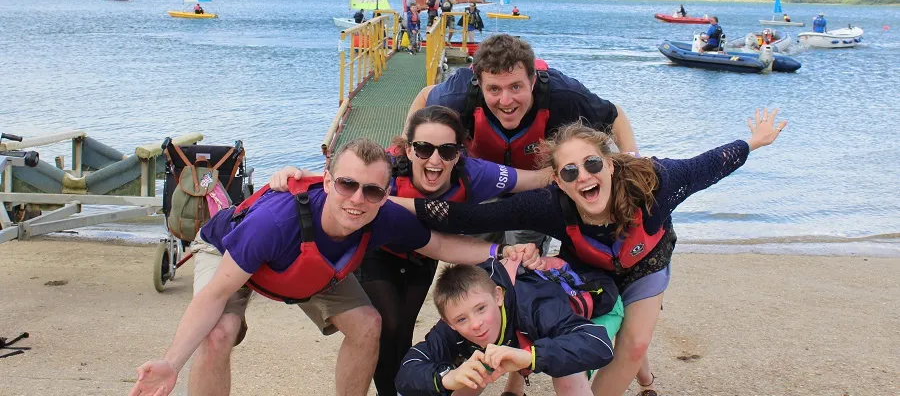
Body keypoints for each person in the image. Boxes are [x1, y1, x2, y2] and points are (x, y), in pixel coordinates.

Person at [392, 108, 788, 396]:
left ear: (611, 164)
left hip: (646, 263)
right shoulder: (549, 205)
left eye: (591, 164)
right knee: (602, 329)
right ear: (559, 182)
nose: (582, 176)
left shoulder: (658, 183)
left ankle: (641, 384)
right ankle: (644, 381)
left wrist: (755, 141)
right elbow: (466, 218)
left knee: (632, 343)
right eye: (568, 172)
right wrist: (391, 203)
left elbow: (710, 165)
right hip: (590, 269)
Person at [127, 138, 540, 396]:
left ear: (384, 194)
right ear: (327, 181)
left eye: (373, 190)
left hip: (309, 269)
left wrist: (500, 255)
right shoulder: (273, 223)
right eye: (347, 184)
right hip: (231, 253)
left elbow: (438, 244)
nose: (357, 199)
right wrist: (171, 363)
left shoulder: (379, 214)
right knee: (218, 332)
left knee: (368, 324)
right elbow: (214, 296)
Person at [268, 106, 556, 396]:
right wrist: (297, 173)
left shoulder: (476, 174)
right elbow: (342, 178)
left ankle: (403, 387)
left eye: (446, 151)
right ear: (407, 150)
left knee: (403, 331)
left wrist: (578, 169)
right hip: (378, 251)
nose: (434, 159)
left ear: (459, 153)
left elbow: (535, 179)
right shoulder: (386, 168)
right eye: (422, 149)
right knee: (387, 325)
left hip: (423, 254)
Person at [406, 33, 639, 253]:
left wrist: (632, 166)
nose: (506, 101)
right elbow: (425, 96)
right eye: (494, 89)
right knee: (482, 260)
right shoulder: (456, 97)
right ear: (479, 84)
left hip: (535, 187)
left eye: (516, 87)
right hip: (481, 185)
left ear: (533, 80)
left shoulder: (563, 95)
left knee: (526, 257)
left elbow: (614, 116)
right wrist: (405, 150)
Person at [395, 261, 615, 395]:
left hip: (599, 307)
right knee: (464, 381)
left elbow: (599, 344)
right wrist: (447, 378)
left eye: (481, 308)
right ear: (448, 322)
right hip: (520, 333)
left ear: (498, 296)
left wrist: (530, 357)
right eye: (461, 320)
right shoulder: (450, 329)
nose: (475, 324)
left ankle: (646, 380)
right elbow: (407, 373)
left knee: (568, 378)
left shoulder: (535, 306)